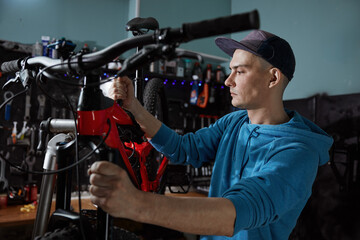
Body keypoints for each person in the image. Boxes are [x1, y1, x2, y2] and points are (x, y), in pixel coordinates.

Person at [88, 30, 333, 240]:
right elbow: (185, 148)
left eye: (240, 71)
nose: (228, 81)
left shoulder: (298, 151)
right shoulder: (234, 122)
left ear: (273, 78)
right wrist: (134, 107)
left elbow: (239, 211)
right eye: (230, 71)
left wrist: (137, 204)